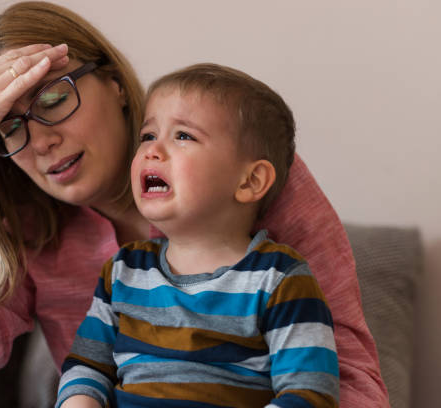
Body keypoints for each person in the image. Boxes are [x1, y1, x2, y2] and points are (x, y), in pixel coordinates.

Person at [0, 2, 388, 407]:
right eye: (11, 127)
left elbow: (347, 378)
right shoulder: (27, 231)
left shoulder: (240, 168)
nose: (40, 141)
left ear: (113, 83)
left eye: (52, 100)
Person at [56, 63, 339, 408]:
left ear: (249, 181)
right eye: (148, 136)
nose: (152, 151)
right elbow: (86, 365)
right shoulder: (124, 271)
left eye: (183, 136)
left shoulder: (279, 280)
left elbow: (309, 393)